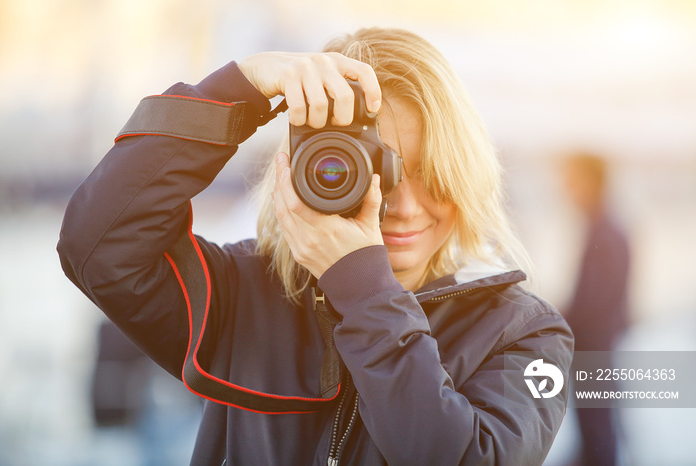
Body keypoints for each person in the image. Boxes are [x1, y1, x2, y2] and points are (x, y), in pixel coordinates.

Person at [58, 27, 574, 465]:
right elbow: (97, 245)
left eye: (434, 175)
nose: (408, 206)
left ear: (466, 176)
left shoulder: (526, 335)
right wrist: (240, 91)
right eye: (378, 172)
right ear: (309, 167)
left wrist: (364, 290)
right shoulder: (243, 296)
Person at [562, 153, 631, 466]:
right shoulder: (604, 228)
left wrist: (558, 321)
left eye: (573, 181)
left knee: (597, 422)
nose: (567, 189)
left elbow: (594, 300)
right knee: (596, 419)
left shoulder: (606, 232)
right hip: (598, 342)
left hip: (595, 344)